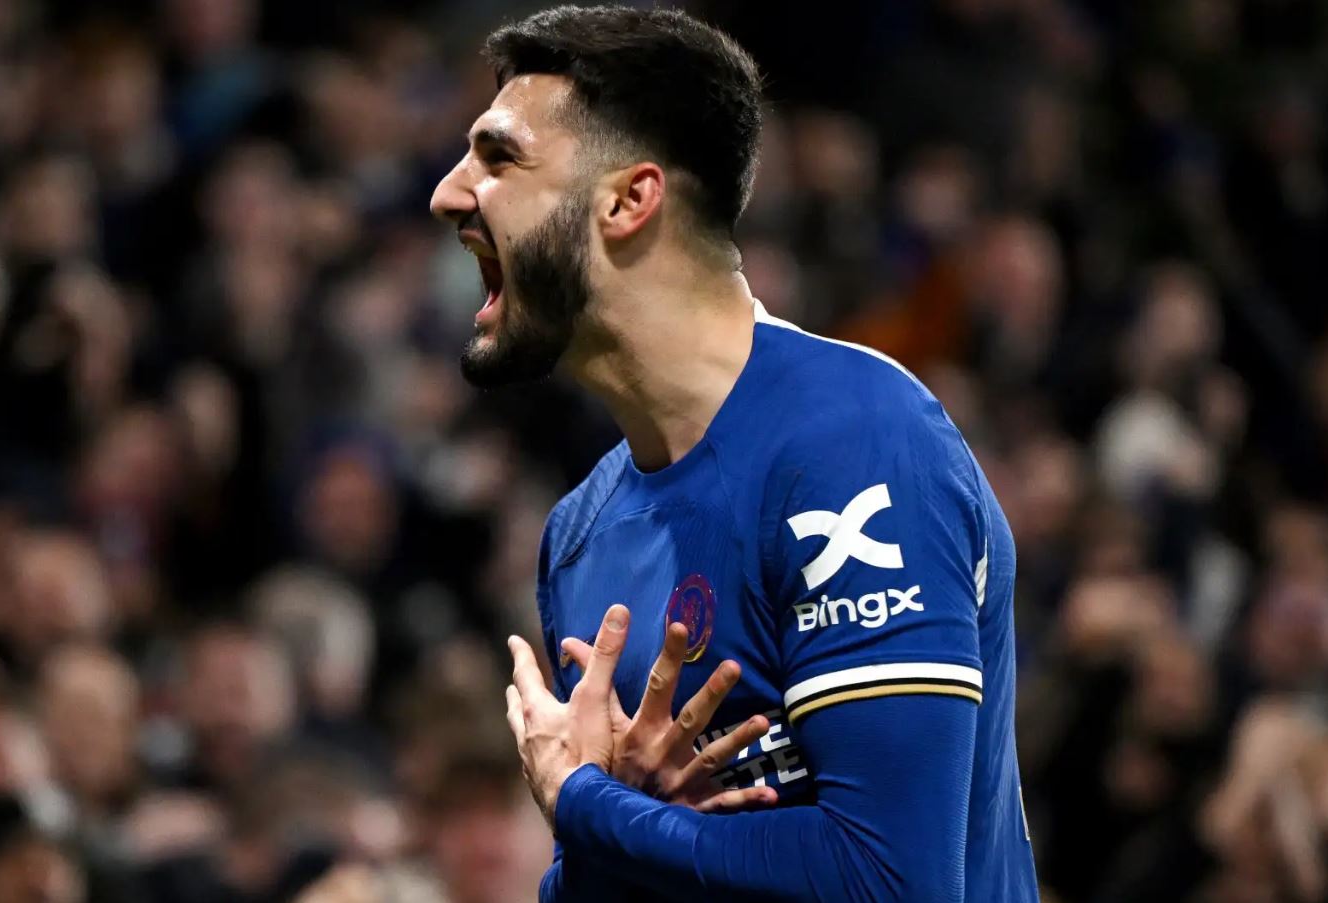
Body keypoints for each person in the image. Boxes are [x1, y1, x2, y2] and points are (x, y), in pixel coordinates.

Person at [428, 6, 1041, 901]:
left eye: (498, 157)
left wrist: (591, 803)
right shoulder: (579, 534)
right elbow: (626, 865)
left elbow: (894, 879)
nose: (449, 193)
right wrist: (622, 824)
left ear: (628, 201)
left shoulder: (854, 441)